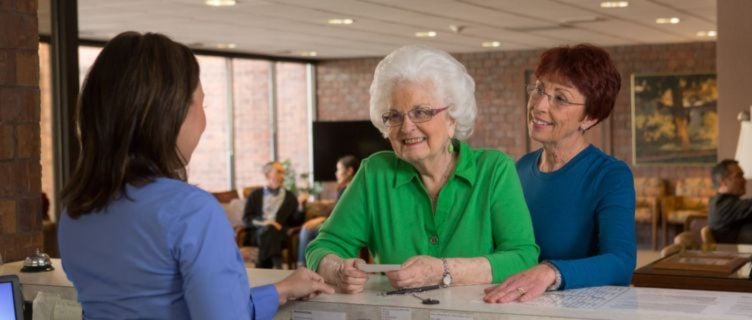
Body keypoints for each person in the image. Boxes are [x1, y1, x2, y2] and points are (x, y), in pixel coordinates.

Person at [57, 31, 333, 319]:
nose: (204, 120)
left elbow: (157, 303)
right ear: (171, 113)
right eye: (202, 103)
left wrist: (282, 291)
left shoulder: (77, 209)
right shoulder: (190, 210)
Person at [305, 45, 539, 293]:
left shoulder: (493, 170)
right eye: (394, 116)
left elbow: (523, 258)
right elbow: (322, 248)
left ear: (452, 118)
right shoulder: (375, 173)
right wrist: (338, 268)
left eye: (421, 112)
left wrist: (443, 271)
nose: (407, 127)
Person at [484, 44, 636, 303]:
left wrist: (550, 272)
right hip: (515, 307)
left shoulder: (610, 175)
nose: (540, 105)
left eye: (560, 98)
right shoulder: (519, 168)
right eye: (540, 89)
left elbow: (621, 263)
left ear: (589, 117)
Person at [297, 155, 359, 267]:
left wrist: (320, 219)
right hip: (340, 224)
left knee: (308, 231)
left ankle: (302, 267)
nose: (336, 173)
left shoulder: (354, 189)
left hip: (348, 227)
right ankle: (308, 266)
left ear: (349, 171)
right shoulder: (344, 188)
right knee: (307, 228)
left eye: (339, 169)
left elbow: (343, 215)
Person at [243, 161, 307, 269]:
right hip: (257, 233)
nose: (283, 176)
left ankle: (262, 267)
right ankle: (277, 265)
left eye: (283, 173)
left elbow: (295, 222)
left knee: (271, 231)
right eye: (279, 172)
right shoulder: (255, 195)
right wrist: (265, 223)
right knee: (269, 229)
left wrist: (301, 207)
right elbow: (247, 218)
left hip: (280, 234)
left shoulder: (290, 197)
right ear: (267, 175)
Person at [708, 159, 752, 243]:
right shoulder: (721, 205)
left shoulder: (726, 202)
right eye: (739, 176)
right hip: (735, 254)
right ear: (723, 181)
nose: (744, 180)